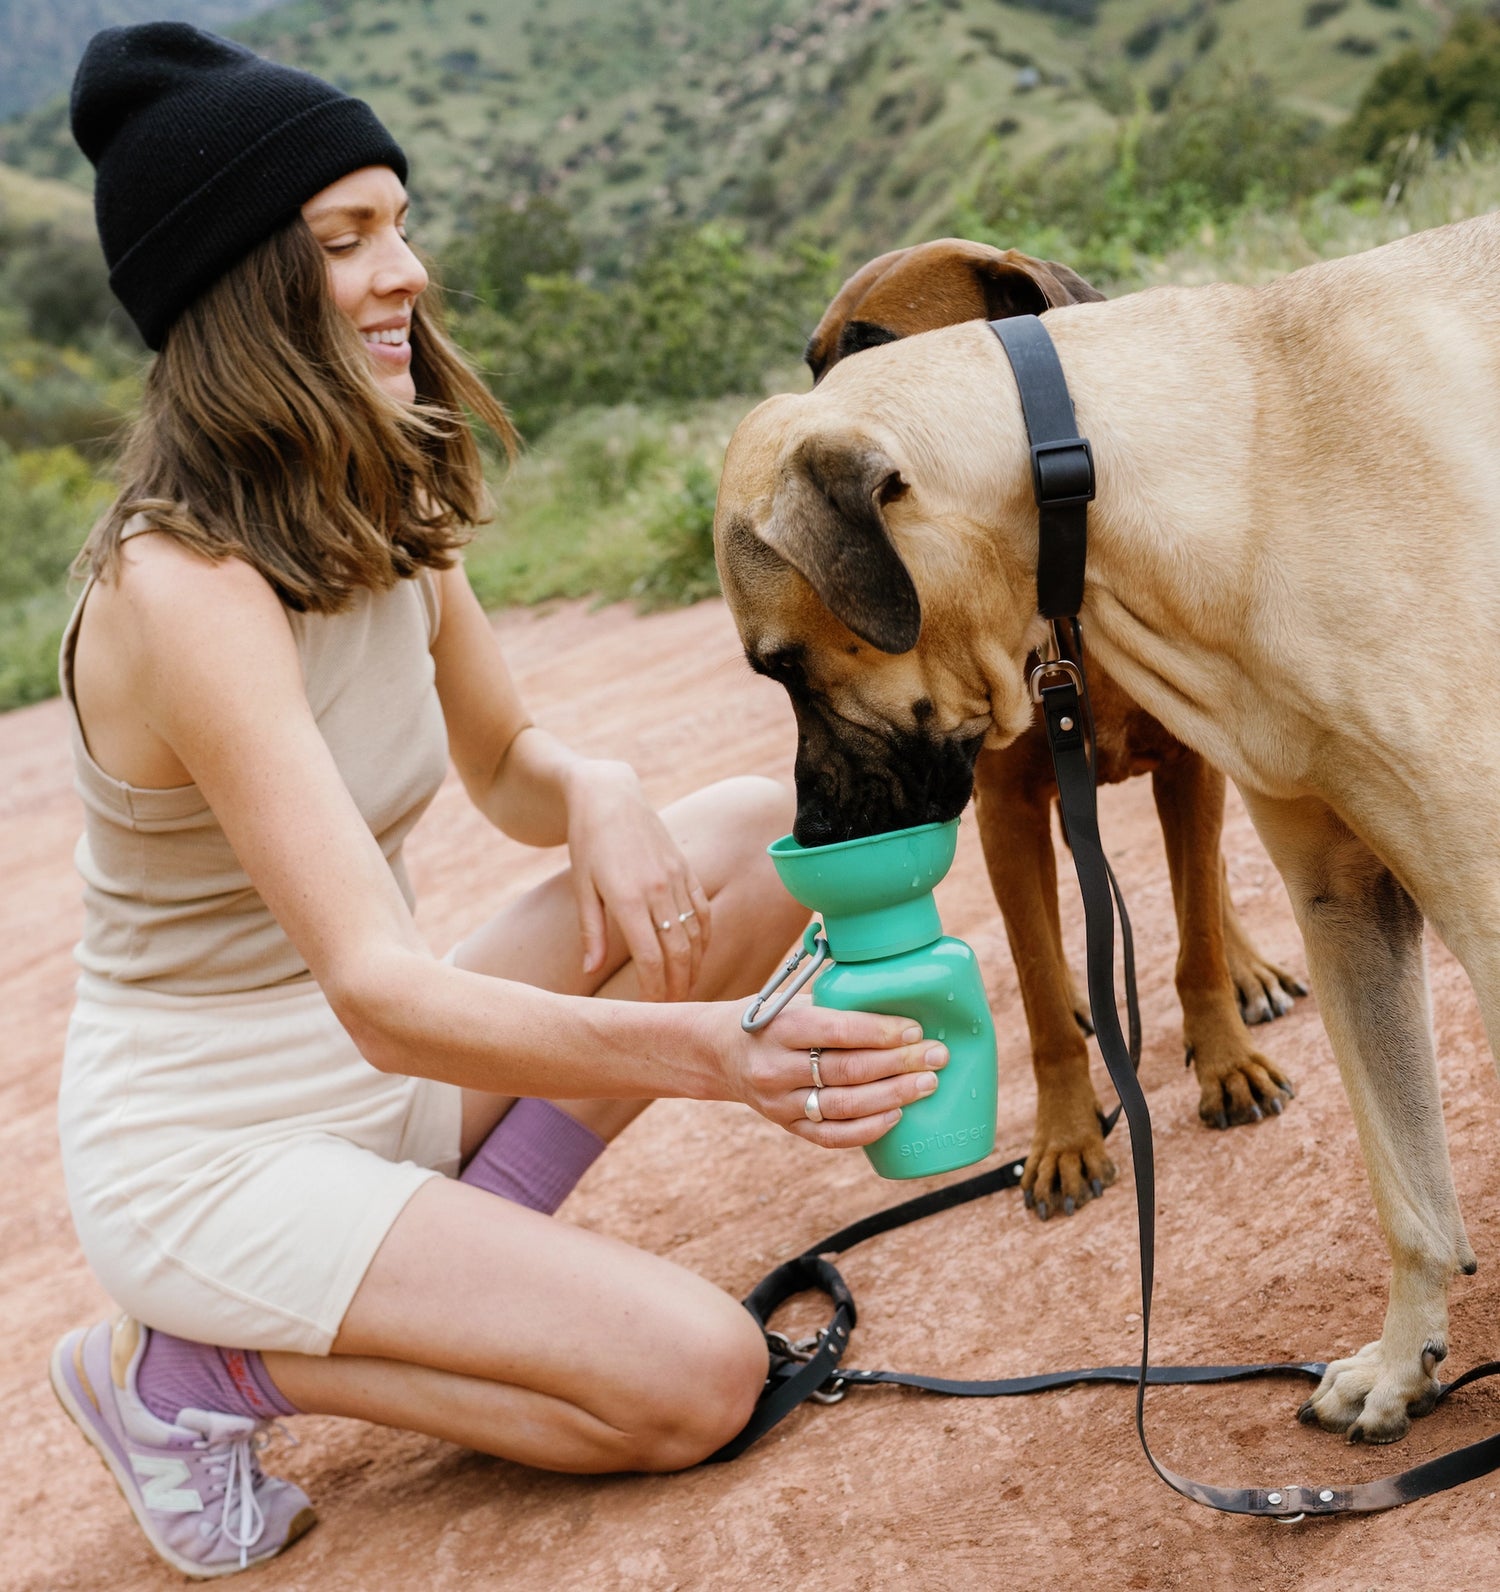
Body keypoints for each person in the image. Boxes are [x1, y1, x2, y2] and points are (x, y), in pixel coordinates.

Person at [45, 22, 950, 1580]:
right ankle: (183, 1371)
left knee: (734, 843)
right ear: (237, 288)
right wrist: (711, 1059)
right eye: (348, 238)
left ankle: (467, 1253)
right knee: (696, 1382)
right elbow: (384, 995)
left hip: (371, 1088)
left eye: (398, 219)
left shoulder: (385, 478)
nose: (405, 269)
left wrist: (591, 782)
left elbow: (503, 766)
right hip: (216, 1158)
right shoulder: (180, 586)